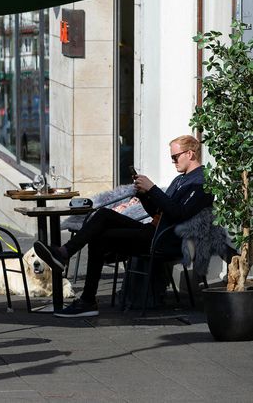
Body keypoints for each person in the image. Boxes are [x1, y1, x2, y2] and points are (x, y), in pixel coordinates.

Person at [34, 135, 214, 318]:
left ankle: (83, 292)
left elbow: (179, 215)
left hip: (168, 239)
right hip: (155, 231)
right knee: (103, 215)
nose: (173, 161)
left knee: (100, 237)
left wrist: (152, 189)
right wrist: (144, 195)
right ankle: (65, 255)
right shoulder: (180, 180)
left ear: (190, 154)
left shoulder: (202, 182)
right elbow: (159, 213)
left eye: (175, 157)